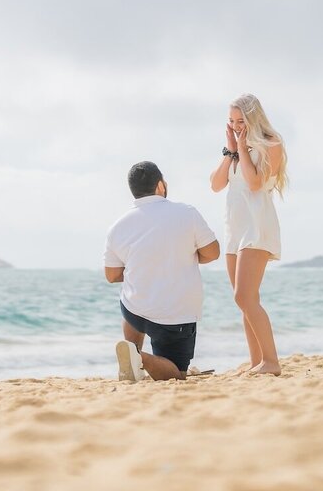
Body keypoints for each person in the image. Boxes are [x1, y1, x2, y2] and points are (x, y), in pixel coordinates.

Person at [105, 161, 220, 381]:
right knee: (177, 374)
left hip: (135, 311)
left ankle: (131, 349)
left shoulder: (117, 226)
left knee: (131, 297)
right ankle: (138, 358)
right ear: (160, 185)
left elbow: (111, 275)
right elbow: (213, 253)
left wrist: (143, 267)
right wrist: (186, 256)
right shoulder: (186, 213)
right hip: (175, 316)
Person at [210, 93, 288, 376]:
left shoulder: (271, 144)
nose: (236, 126)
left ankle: (271, 361)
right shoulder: (234, 150)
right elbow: (216, 185)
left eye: (241, 121)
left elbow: (255, 184)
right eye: (231, 121)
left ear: (254, 118)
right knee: (244, 299)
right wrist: (231, 151)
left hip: (257, 226)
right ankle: (258, 362)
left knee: (244, 297)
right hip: (235, 228)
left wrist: (242, 150)